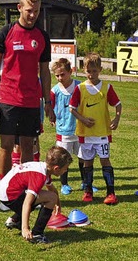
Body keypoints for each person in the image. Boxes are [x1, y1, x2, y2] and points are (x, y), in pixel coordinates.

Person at [0, 0, 54, 188]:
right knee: (7, 146)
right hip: (8, 98)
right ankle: (4, 188)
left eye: (36, 11)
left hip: (31, 101)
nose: (32, 15)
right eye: (28, 10)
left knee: (28, 145)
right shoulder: (6, 32)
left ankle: (24, 187)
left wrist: (47, 101)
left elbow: (45, 72)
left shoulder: (42, 36)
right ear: (19, 8)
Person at [69, 53, 122, 205]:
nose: (91, 74)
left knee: (105, 161)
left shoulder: (106, 87)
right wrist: (84, 119)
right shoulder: (80, 88)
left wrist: (116, 118)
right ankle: (88, 191)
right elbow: (72, 108)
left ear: (100, 69)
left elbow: (118, 104)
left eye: (94, 71)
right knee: (87, 162)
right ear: (84, 70)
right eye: (88, 71)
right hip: (85, 134)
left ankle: (111, 192)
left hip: (102, 133)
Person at [0, 146, 71, 244]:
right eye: (65, 168)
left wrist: (58, 204)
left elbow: (52, 189)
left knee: (46, 197)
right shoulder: (39, 176)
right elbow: (27, 203)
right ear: (56, 168)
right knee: (49, 198)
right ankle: (37, 234)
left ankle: (14, 220)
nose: (66, 171)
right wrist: (25, 228)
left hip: (6, 191)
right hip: (10, 195)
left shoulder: (43, 168)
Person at [49, 58, 84, 195]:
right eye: (57, 75)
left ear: (71, 71)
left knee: (84, 157)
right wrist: (52, 116)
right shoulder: (55, 91)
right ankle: (64, 184)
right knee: (63, 159)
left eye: (62, 74)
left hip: (81, 129)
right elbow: (50, 106)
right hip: (64, 130)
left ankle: (86, 182)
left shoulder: (80, 86)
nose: (59, 78)